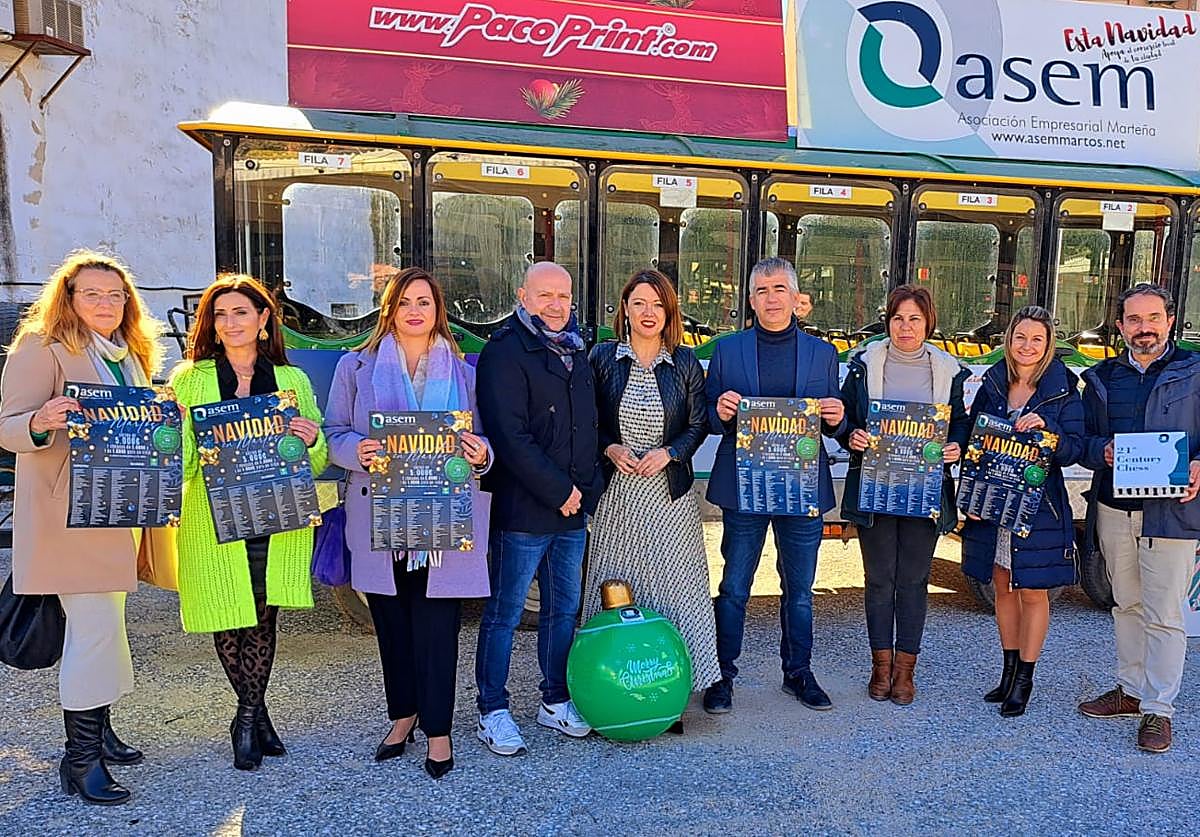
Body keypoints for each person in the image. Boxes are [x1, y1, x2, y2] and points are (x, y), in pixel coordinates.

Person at [0, 250, 174, 805]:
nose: (105, 303)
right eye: (92, 294)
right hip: (69, 516)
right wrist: (39, 421)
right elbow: (7, 428)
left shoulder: (131, 356)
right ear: (68, 298)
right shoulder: (41, 347)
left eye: (115, 295)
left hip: (120, 510)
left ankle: (100, 730)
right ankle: (80, 760)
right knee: (94, 631)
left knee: (107, 628)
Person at [325, 268, 492, 779]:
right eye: (404, 303)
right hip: (380, 515)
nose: (414, 311)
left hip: (443, 517)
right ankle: (403, 715)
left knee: (438, 624)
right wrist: (359, 449)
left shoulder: (465, 373)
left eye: (424, 301)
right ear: (389, 310)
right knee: (392, 623)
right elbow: (333, 433)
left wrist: (480, 453)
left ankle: (438, 729)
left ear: (438, 310)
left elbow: (486, 443)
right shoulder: (356, 367)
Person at [170, 275, 327, 771]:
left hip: (276, 518)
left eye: (241, 312)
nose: (231, 322)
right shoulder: (190, 379)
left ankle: (245, 717)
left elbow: (316, 459)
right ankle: (254, 717)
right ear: (211, 326)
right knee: (229, 618)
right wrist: (174, 430)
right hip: (214, 519)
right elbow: (186, 464)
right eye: (220, 314)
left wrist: (309, 438)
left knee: (262, 619)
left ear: (263, 321)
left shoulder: (292, 381)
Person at [703, 257, 846, 714]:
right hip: (745, 488)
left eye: (779, 289)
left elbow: (837, 426)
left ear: (796, 297)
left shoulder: (824, 354)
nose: (771, 298)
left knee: (800, 590)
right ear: (750, 300)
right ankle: (721, 675)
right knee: (735, 586)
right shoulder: (726, 351)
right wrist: (720, 412)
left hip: (801, 489)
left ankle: (798, 673)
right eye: (762, 290)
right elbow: (707, 417)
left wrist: (839, 420)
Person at [473, 261, 604, 755]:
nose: (556, 305)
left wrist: (583, 491)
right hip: (524, 511)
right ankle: (492, 709)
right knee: (505, 613)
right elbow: (510, 437)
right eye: (545, 295)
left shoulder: (577, 351)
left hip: (571, 511)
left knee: (562, 610)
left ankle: (554, 700)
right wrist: (560, 491)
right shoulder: (504, 352)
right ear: (522, 296)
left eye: (564, 297)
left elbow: (587, 427)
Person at [586, 270, 721, 724]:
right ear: (624, 307)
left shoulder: (684, 362)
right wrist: (611, 447)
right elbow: (588, 420)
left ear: (669, 312)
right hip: (619, 493)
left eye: (657, 305)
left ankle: (672, 685)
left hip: (669, 495)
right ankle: (612, 682)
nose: (648, 313)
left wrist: (670, 453)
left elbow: (699, 424)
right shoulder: (601, 357)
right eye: (639, 303)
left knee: (675, 588)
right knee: (617, 581)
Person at [1076, 284, 1200, 753]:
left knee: (1165, 614)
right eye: (1133, 319)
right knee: (1125, 604)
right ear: (1121, 325)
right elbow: (1081, 439)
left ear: (1170, 320)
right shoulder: (1104, 377)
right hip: (1114, 508)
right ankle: (1130, 691)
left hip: (1170, 514)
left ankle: (1159, 709)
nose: (1143, 328)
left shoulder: (1195, 370)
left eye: (1152, 318)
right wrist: (1099, 452)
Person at [838, 285, 971, 705]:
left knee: (913, 581)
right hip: (876, 489)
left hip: (924, 491)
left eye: (914, 319)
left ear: (928, 323)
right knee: (879, 580)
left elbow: (961, 424)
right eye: (898, 318)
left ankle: (905, 672)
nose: (906, 327)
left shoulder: (947, 370)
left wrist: (957, 446)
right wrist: (849, 435)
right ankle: (879, 666)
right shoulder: (864, 365)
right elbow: (841, 417)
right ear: (888, 322)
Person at [960, 306, 1084, 716]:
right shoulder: (993, 383)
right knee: (1001, 586)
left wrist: (1049, 435)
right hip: (994, 505)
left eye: (1036, 339)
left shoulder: (1063, 388)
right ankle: (1007, 670)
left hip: (1038, 507)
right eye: (1020, 338)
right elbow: (973, 440)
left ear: (1048, 345)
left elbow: (1075, 448)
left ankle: (1025, 679)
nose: (1027, 346)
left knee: (1032, 589)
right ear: (1008, 341)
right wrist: (972, 496)